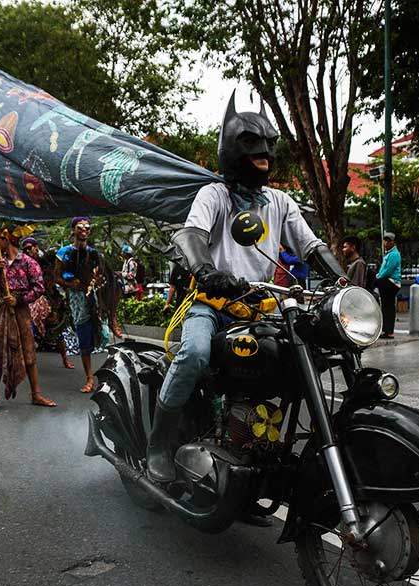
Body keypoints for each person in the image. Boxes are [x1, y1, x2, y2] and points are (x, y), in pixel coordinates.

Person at [146, 94, 347, 485]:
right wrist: (206, 270)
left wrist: (343, 282)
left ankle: (258, 451)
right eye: (253, 144)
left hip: (260, 308)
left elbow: (312, 247)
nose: (265, 152)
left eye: (269, 145)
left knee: (298, 361)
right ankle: (159, 443)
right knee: (193, 355)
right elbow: (192, 235)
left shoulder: (280, 202)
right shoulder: (214, 195)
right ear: (232, 148)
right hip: (213, 302)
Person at [0, 226, 55, 411]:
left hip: (21, 312)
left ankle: (36, 394)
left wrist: (20, 299)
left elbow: (39, 287)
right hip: (1, 311)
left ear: (9, 240)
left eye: (0, 239)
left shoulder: (29, 262)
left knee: (28, 352)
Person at [57, 217, 104, 393]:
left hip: (93, 298)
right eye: (80, 227)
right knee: (83, 337)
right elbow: (57, 277)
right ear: (73, 231)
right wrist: (73, 285)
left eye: (87, 227)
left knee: (99, 335)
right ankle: (89, 377)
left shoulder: (95, 253)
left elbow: (100, 275)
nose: (84, 230)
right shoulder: (64, 252)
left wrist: (97, 281)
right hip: (76, 300)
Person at [36, 247, 77, 369]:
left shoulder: (58, 271)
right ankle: (29, 362)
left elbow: (64, 283)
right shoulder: (38, 267)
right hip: (38, 302)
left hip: (54, 301)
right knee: (31, 334)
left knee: (59, 333)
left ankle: (65, 359)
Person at [376, 232, 401, 338]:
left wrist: (378, 277)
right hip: (388, 281)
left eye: (389, 240)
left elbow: (387, 270)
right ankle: (387, 330)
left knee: (388, 306)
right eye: (385, 240)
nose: (386, 242)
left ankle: (389, 331)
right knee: (386, 306)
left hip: (391, 282)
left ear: (394, 242)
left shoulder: (394, 254)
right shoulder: (389, 253)